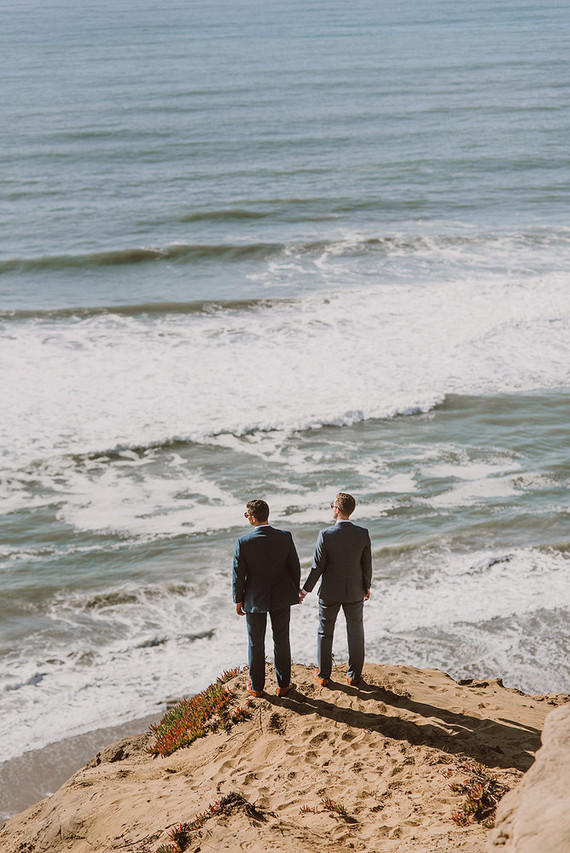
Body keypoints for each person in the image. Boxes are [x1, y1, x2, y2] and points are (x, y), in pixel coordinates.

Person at [300, 492, 372, 687]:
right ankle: (354, 675)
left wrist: (304, 591)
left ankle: (323, 675)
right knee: (356, 632)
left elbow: (317, 567)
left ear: (337, 509)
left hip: (330, 592)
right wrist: (367, 587)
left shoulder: (326, 534)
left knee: (325, 631)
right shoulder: (362, 533)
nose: (332, 508)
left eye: (333, 505)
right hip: (355, 591)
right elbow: (366, 565)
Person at [233, 499, 301, 698]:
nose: (247, 519)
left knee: (256, 643)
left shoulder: (243, 542)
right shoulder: (285, 536)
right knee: (281, 640)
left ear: (253, 518)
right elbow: (294, 567)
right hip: (281, 597)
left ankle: (256, 687)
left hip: (254, 599)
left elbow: (239, 574)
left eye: (247, 515)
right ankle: (284, 685)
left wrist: (238, 599)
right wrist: (294, 591)